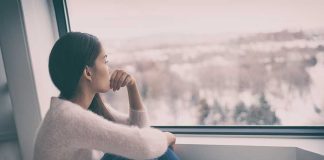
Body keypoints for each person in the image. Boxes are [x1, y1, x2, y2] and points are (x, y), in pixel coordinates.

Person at [33, 32, 180, 160]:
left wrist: (132, 86)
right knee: (154, 149)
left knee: (151, 148)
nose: (108, 68)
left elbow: (140, 130)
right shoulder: (67, 118)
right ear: (88, 72)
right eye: (105, 61)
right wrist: (167, 137)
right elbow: (144, 146)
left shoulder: (86, 108)